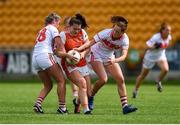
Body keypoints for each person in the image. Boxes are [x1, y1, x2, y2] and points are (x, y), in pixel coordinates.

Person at [75, 16, 138, 114]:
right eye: (114, 29)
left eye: (117, 32)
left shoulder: (124, 39)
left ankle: (125, 106)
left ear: (122, 33)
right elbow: (90, 43)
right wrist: (79, 49)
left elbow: (124, 56)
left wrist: (115, 60)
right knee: (104, 79)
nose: (114, 32)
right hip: (95, 54)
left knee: (120, 79)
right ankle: (91, 96)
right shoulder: (106, 33)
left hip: (109, 57)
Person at [32, 12, 76, 114]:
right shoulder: (53, 28)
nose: (59, 25)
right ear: (54, 21)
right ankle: (62, 108)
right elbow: (59, 43)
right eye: (58, 23)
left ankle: (38, 104)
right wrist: (67, 56)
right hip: (45, 56)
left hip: (35, 58)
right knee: (61, 81)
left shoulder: (41, 30)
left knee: (48, 85)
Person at [60, 13, 92, 114]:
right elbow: (57, 52)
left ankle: (77, 102)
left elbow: (89, 46)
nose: (77, 31)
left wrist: (83, 53)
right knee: (82, 83)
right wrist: (68, 56)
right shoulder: (63, 35)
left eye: (79, 29)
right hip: (70, 65)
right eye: (75, 29)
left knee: (88, 91)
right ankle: (86, 109)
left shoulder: (82, 32)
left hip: (82, 63)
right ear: (69, 26)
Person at [132, 22, 172, 98]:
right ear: (162, 31)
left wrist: (161, 46)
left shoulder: (169, 37)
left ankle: (158, 81)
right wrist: (154, 47)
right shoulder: (156, 37)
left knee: (166, 69)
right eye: (167, 30)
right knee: (143, 75)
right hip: (150, 57)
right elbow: (147, 47)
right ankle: (135, 90)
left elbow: (166, 45)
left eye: (169, 30)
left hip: (160, 56)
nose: (169, 32)